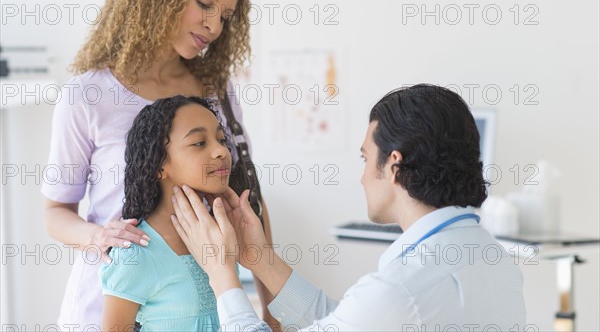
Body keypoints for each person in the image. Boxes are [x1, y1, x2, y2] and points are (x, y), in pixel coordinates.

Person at [42, 0, 278, 329]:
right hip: (103, 309)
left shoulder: (216, 91)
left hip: (192, 309)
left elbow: (247, 200)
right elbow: (54, 213)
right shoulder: (88, 95)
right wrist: (97, 237)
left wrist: (273, 312)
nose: (214, 26)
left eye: (224, 16)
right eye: (204, 4)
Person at [172, 84, 527, 331]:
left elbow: (374, 312)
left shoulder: (399, 290)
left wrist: (221, 274)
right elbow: (347, 321)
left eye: (365, 158)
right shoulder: (491, 257)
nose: (360, 178)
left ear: (394, 165)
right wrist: (260, 259)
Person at [101, 95, 233, 330]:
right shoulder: (137, 254)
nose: (220, 151)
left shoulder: (220, 236)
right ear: (159, 164)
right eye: (199, 143)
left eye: (221, 140)